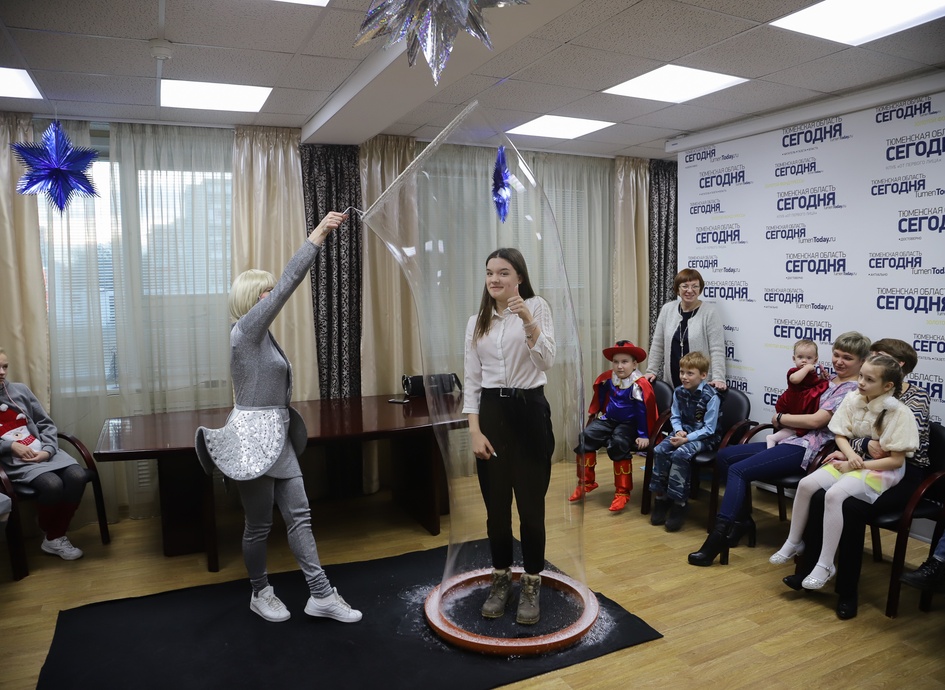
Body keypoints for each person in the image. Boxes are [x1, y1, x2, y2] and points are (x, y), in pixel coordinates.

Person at [196, 211, 361, 624]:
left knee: (300, 516)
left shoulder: (262, 335)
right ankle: (260, 592)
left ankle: (321, 594)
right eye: (266, 292)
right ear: (252, 299)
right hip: (251, 443)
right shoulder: (245, 332)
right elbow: (290, 282)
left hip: (278, 438)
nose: (273, 296)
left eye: (271, 291)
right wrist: (317, 235)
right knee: (257, 526)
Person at [687, 331, 871, 567]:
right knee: (724, 456)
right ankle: (742, 522)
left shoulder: (852, 389)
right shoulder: (828, 377)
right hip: (793, 438)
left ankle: (717, 538)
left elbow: (817, 421)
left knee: (739, 470)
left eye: (847, 358)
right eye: (836, 355)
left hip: (811, 448)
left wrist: (781, 418)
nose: (839, 361)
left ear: (861, 361)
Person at [786, 338, 931, 619]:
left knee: (850, 506)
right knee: (817, 494)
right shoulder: (862, 392)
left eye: (878, 356)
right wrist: (859, 447)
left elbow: (888, 448)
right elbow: (855, 435)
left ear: (897, 367)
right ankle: (808, 569)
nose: (869, 362)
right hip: (862, 463)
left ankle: (847, 592)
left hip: (904, 473)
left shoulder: (915, 398)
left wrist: (860, 446)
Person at [769, 355, 918, 592]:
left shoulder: (900, 413)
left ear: (887, 386)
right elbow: (840, 435)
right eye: (861, 376)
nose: (861, 382)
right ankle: (794, 542)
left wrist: (855, 465)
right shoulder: (852, 398)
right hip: (853, 460)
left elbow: (896, 460)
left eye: (869, 380)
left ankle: (826, 563)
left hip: (882, 470)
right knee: (806, 485)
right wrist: (849, 456)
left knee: (834, 495)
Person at [464, 247, 556, 626]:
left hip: (530, 411)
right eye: (490, 273)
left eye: (503, 272)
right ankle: (500, 578)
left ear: (519, 277)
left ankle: (532, 582)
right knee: (497, 509)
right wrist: (474, 430)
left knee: (531, 509)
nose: (495, 279)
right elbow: (472, 380)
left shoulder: (537, 307)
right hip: (492, 414)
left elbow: (547, 360)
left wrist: (528, 320)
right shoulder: (477, 321)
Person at [0, 348, 87, 561]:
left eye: (5, 366)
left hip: (44, 452)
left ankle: (53, 535)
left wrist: (48, 451)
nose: (2, 372)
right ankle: (54, 534)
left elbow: (45, 423)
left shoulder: (20, 390)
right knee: (52, 485)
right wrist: (10, 446)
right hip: (16, 461)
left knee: (78, 476)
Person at [569, 340, 657, 512]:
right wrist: (595, 411)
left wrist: (643, 434)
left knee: (618, 443)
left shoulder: (638, 384)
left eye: (624, 362)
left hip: (629, 424)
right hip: (609, 419)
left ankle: (622, 491)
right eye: (616, 362)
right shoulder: (610, 378)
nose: (619, 366)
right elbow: (601, 395)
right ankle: (586, 481)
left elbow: (643, 411)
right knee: (585, 436)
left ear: (634, 364)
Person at [649, 351, 721, 532]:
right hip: (683, 433)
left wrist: (687, 439)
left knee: (680, 455)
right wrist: (678, 430)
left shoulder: (711, 396)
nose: (684, 377)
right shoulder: (679, 392)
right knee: (659, 450)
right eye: (682, 372)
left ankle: (679, 504)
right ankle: (661, 498)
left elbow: (709, 429)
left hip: (705, 438)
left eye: (690, 373)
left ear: (703, 375)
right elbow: (675, 416)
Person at [645, 268, 726, 390]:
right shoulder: (667, 309)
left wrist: (718, 378)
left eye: (695, 286)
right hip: (672, 380)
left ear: (700, 289)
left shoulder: (709, 312)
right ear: (678, 289)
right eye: (685, 286)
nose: (690, 290)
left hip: (699, 383)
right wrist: (651, 370)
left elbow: (717, 349)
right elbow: (658, 344)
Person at [767, 339, 830, 448]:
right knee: (796, 426)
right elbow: (794, 379)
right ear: (794, 359)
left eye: (809, 358)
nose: (804, 361)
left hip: (806, 402)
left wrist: (821, 378)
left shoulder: (811, 372)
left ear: (815, 360)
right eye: (800, 357)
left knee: (799, 428)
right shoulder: (794, 371)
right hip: (795, 402)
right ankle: (773, 439)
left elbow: (812, 383)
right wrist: (807, 368)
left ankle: (776, 438)